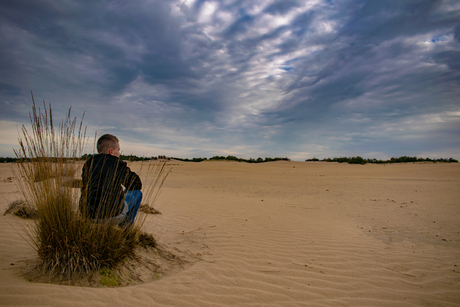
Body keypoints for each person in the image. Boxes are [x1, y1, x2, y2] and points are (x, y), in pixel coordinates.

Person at [80, 134, 142, 226]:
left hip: (87, 215)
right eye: (118, 150)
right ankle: (125, 228)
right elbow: (137, 184)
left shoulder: (88, 163)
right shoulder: (117, 164)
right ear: (111, 151)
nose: (119, 153)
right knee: (137, 193)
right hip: (112, 216)